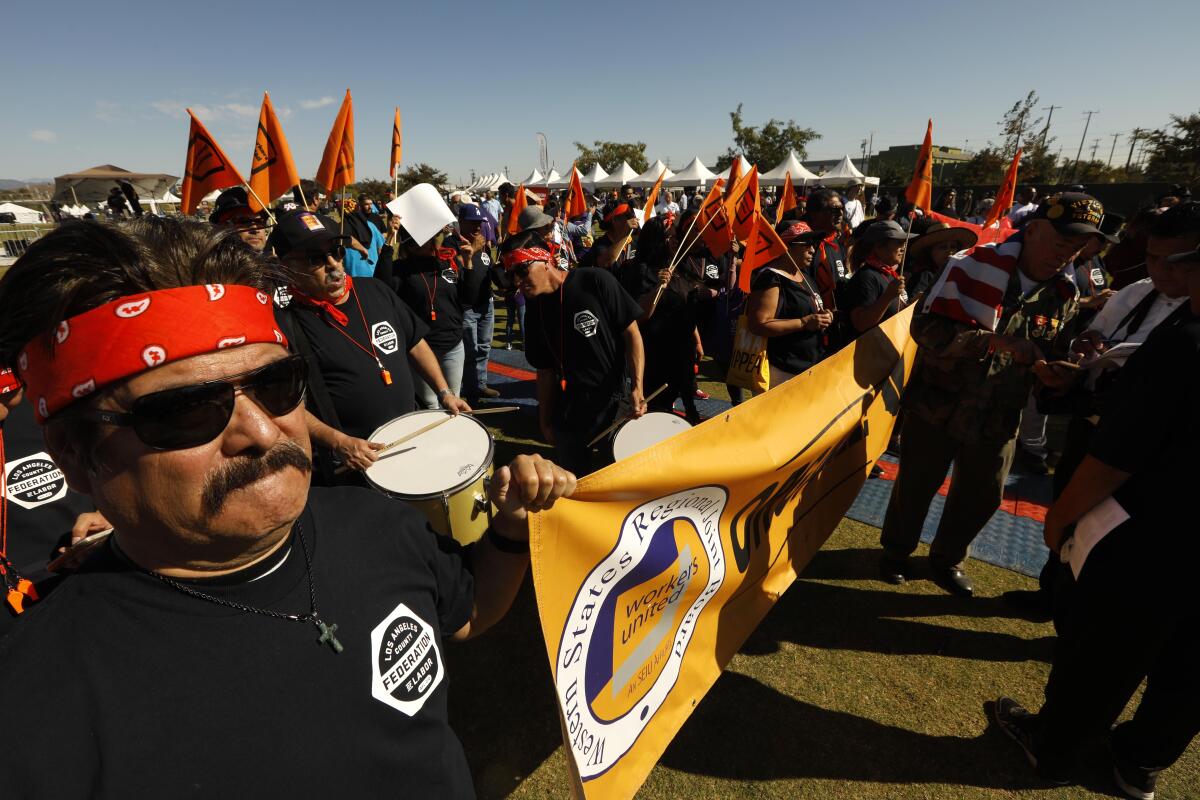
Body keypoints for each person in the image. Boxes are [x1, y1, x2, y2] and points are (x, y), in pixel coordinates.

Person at [0, 216, 576, 796]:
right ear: (75, 457)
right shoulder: (35, 705)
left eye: (277, 386)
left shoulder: (380, 523)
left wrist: (508, 526)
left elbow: (470, 613)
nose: (262, 430)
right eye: (187, 410)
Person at [993, 240, 1200, 800]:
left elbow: (1116, 458)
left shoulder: (1183, 343)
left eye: (1175, 259)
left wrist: (1060, 516)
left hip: (1157, 533)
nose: (1163, 270)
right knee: (1188, 667)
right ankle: (1141, 760)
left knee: (1106, 650)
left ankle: (1055, 748)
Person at [878, 193, 1103, 596]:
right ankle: (896, 553)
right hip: (939, 404)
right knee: (915, 484)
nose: (1068, 252)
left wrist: (1058, 371)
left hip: (1001, 414)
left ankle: (946, 560)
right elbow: (925, 332)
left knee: (982, 495)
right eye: (1061, 240)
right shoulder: (970, 265)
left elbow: (1053, 347)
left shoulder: (1067, 290)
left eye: (1078, 244)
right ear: (1032, 230)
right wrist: (992, 342)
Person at [269, 211, 468, 483]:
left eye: (337, 252)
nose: (333, 265)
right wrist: (338, 442)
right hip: (354, 464)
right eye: (316, 258)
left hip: (409, 441)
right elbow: (285, 406)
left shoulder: (375, 289)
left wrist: (444, 392)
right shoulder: (284, 324)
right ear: (286, 267)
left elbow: (415, 342)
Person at [505, 233, 647, 476]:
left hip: (613, 402)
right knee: (574, 482)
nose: (517, 281)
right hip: (570, 408)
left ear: (545, 260)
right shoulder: (534, 310)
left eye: (521, 271)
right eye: (511, 276)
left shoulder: (595, 280)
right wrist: (545, 419)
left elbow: (632, 333)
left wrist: (637, 387)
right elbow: (545, 369)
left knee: (617, 476)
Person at [616, 216, 701, 423]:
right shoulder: (637, 270)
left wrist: (696, 339)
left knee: (684, 391)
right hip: (656, 351)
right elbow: (639, 316)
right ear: (656, 240)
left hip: (682, 346)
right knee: (657, 403)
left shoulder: (679, 266)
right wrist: (657, 289)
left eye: (675, 236)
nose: (674, 241)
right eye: (669, 236)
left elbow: (684, 306)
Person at [746, 221, 833, 387]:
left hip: (807, 367)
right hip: (780, 371)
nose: (812, 250)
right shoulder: (772, 277)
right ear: (786, 246)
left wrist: (823, 316)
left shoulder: (804, 275)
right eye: (806, 245)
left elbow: (808, 311)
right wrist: (804, 322)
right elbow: (759, 324)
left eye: (813, 244)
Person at [394, 226, 472, 409]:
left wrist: (468, 263)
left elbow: (468, 298)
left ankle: (451, 438)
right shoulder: (400, 269)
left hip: (452, 343)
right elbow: (382, 285)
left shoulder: (447, 263)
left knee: (454, 399)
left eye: (433, 238)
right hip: (421, 346)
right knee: (430, 403)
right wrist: (390, 239)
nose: (433, 242)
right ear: (411, 245)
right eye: (425, 239)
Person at [446, 204, 502, 401]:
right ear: (461, 222)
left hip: (486, 301)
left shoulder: (482, 243)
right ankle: (471, 390)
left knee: (485, 347)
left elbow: (489, 267)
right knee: (470, 350)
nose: (478, 228)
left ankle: (481, 383)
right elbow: (453, 271)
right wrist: (475, 249)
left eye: (480, 223)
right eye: (473, 223)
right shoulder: (451, 243)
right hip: (466, 307)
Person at [842, 220, 916, 337]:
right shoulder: (866, 277)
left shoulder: (888, 273)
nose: (903, 248)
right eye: (898, 243)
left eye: (904, 243)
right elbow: (861, 323)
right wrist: (888, 296)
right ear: (879, 247)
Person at [903, 222, 978, 299]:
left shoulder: (960, 275)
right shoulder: (925, 275)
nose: (949, 251)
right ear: (930, 252)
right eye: (943, 247)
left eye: (953, 247)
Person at [803, 188, 849, 310]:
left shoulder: (835, 241)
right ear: (815, 214)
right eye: (834, 209)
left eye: (842, 208)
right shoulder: (802, 245)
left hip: (836, 317)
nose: (840, 213)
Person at [337, 197, 389, 279]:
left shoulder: (338, 229)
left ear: (340, 213)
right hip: (372, 273)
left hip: (348, 276)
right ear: (358, 209)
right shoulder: (371, 226)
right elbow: (381, 250)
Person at [209, 187, 271, 253]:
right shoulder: (209, 262)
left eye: (259, 222)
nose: (255, 228)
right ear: (222, 227)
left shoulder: (274, 262)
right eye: (244, 222)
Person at [581, 203, 638, 270]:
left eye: (634, 216)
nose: (634, 220)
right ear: (614, 220)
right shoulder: (600, 244)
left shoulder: (636, 241)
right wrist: (624, 234)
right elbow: (606, 262)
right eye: (628, 217)